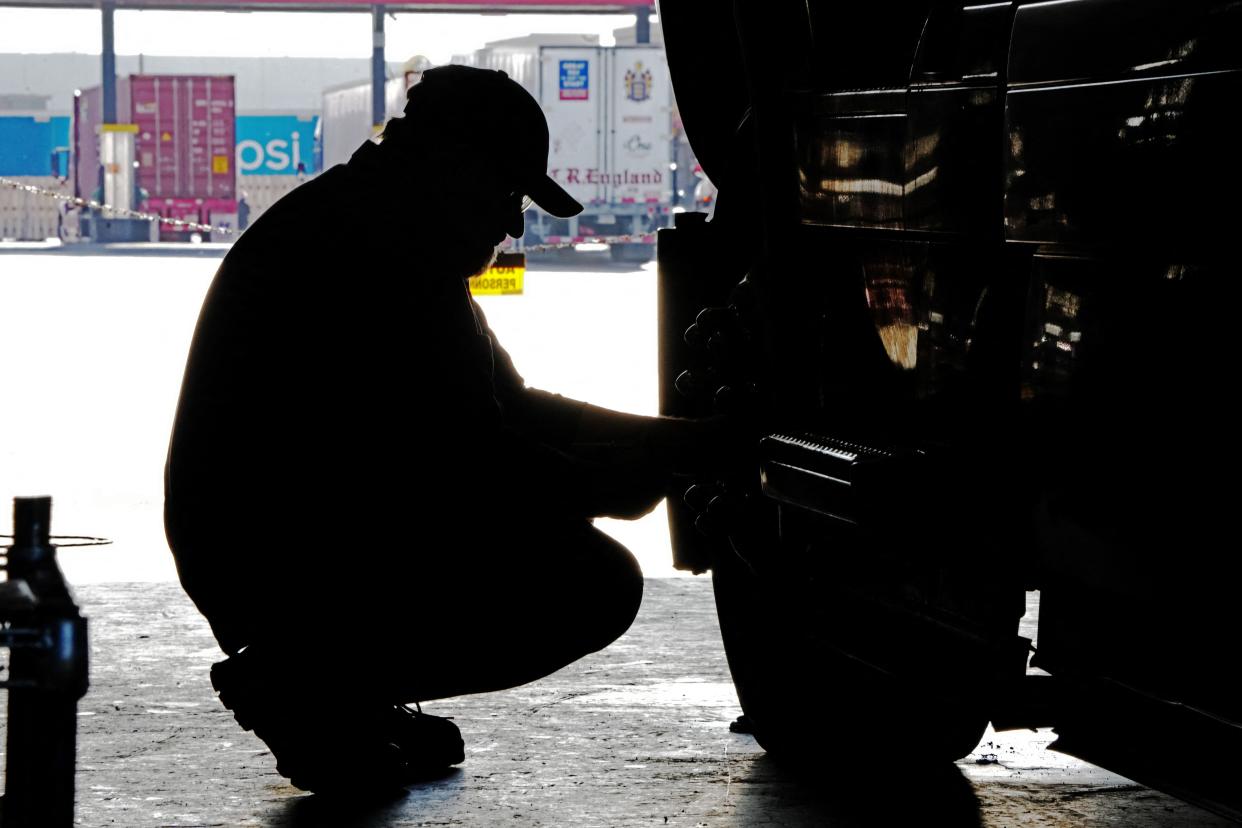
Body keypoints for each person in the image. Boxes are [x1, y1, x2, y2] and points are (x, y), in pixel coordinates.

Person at [164, 65, 723, 794]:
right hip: (276, 554)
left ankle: (340, 689)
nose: (515, 222)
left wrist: (673, 440)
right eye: (511, 193)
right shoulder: (374, 256)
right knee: (590, 583)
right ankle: (305, 683)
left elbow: (515, 407)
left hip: (274, 543)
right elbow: (462, 463)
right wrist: (605, 487)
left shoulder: (379, 224)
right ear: (455, 168)